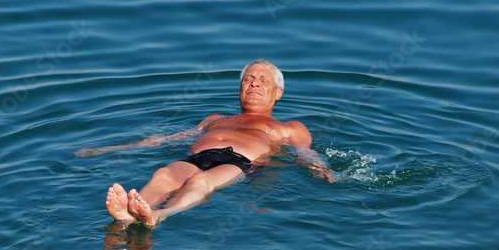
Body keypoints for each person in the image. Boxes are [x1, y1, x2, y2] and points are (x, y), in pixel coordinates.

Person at [78, 60, 335, 226]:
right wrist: (113, 149)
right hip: (195, 159)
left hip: (241, 163)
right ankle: (129, 215)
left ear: (278, 93)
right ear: (240, 88)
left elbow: (305, 152)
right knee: (164, 174)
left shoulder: (290, 127)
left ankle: (159, 215)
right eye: (248, 79)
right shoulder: (214, 119)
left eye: (263, 80)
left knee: (201, 182)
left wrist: (320, 170)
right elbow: (170, 139)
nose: (254, 82)